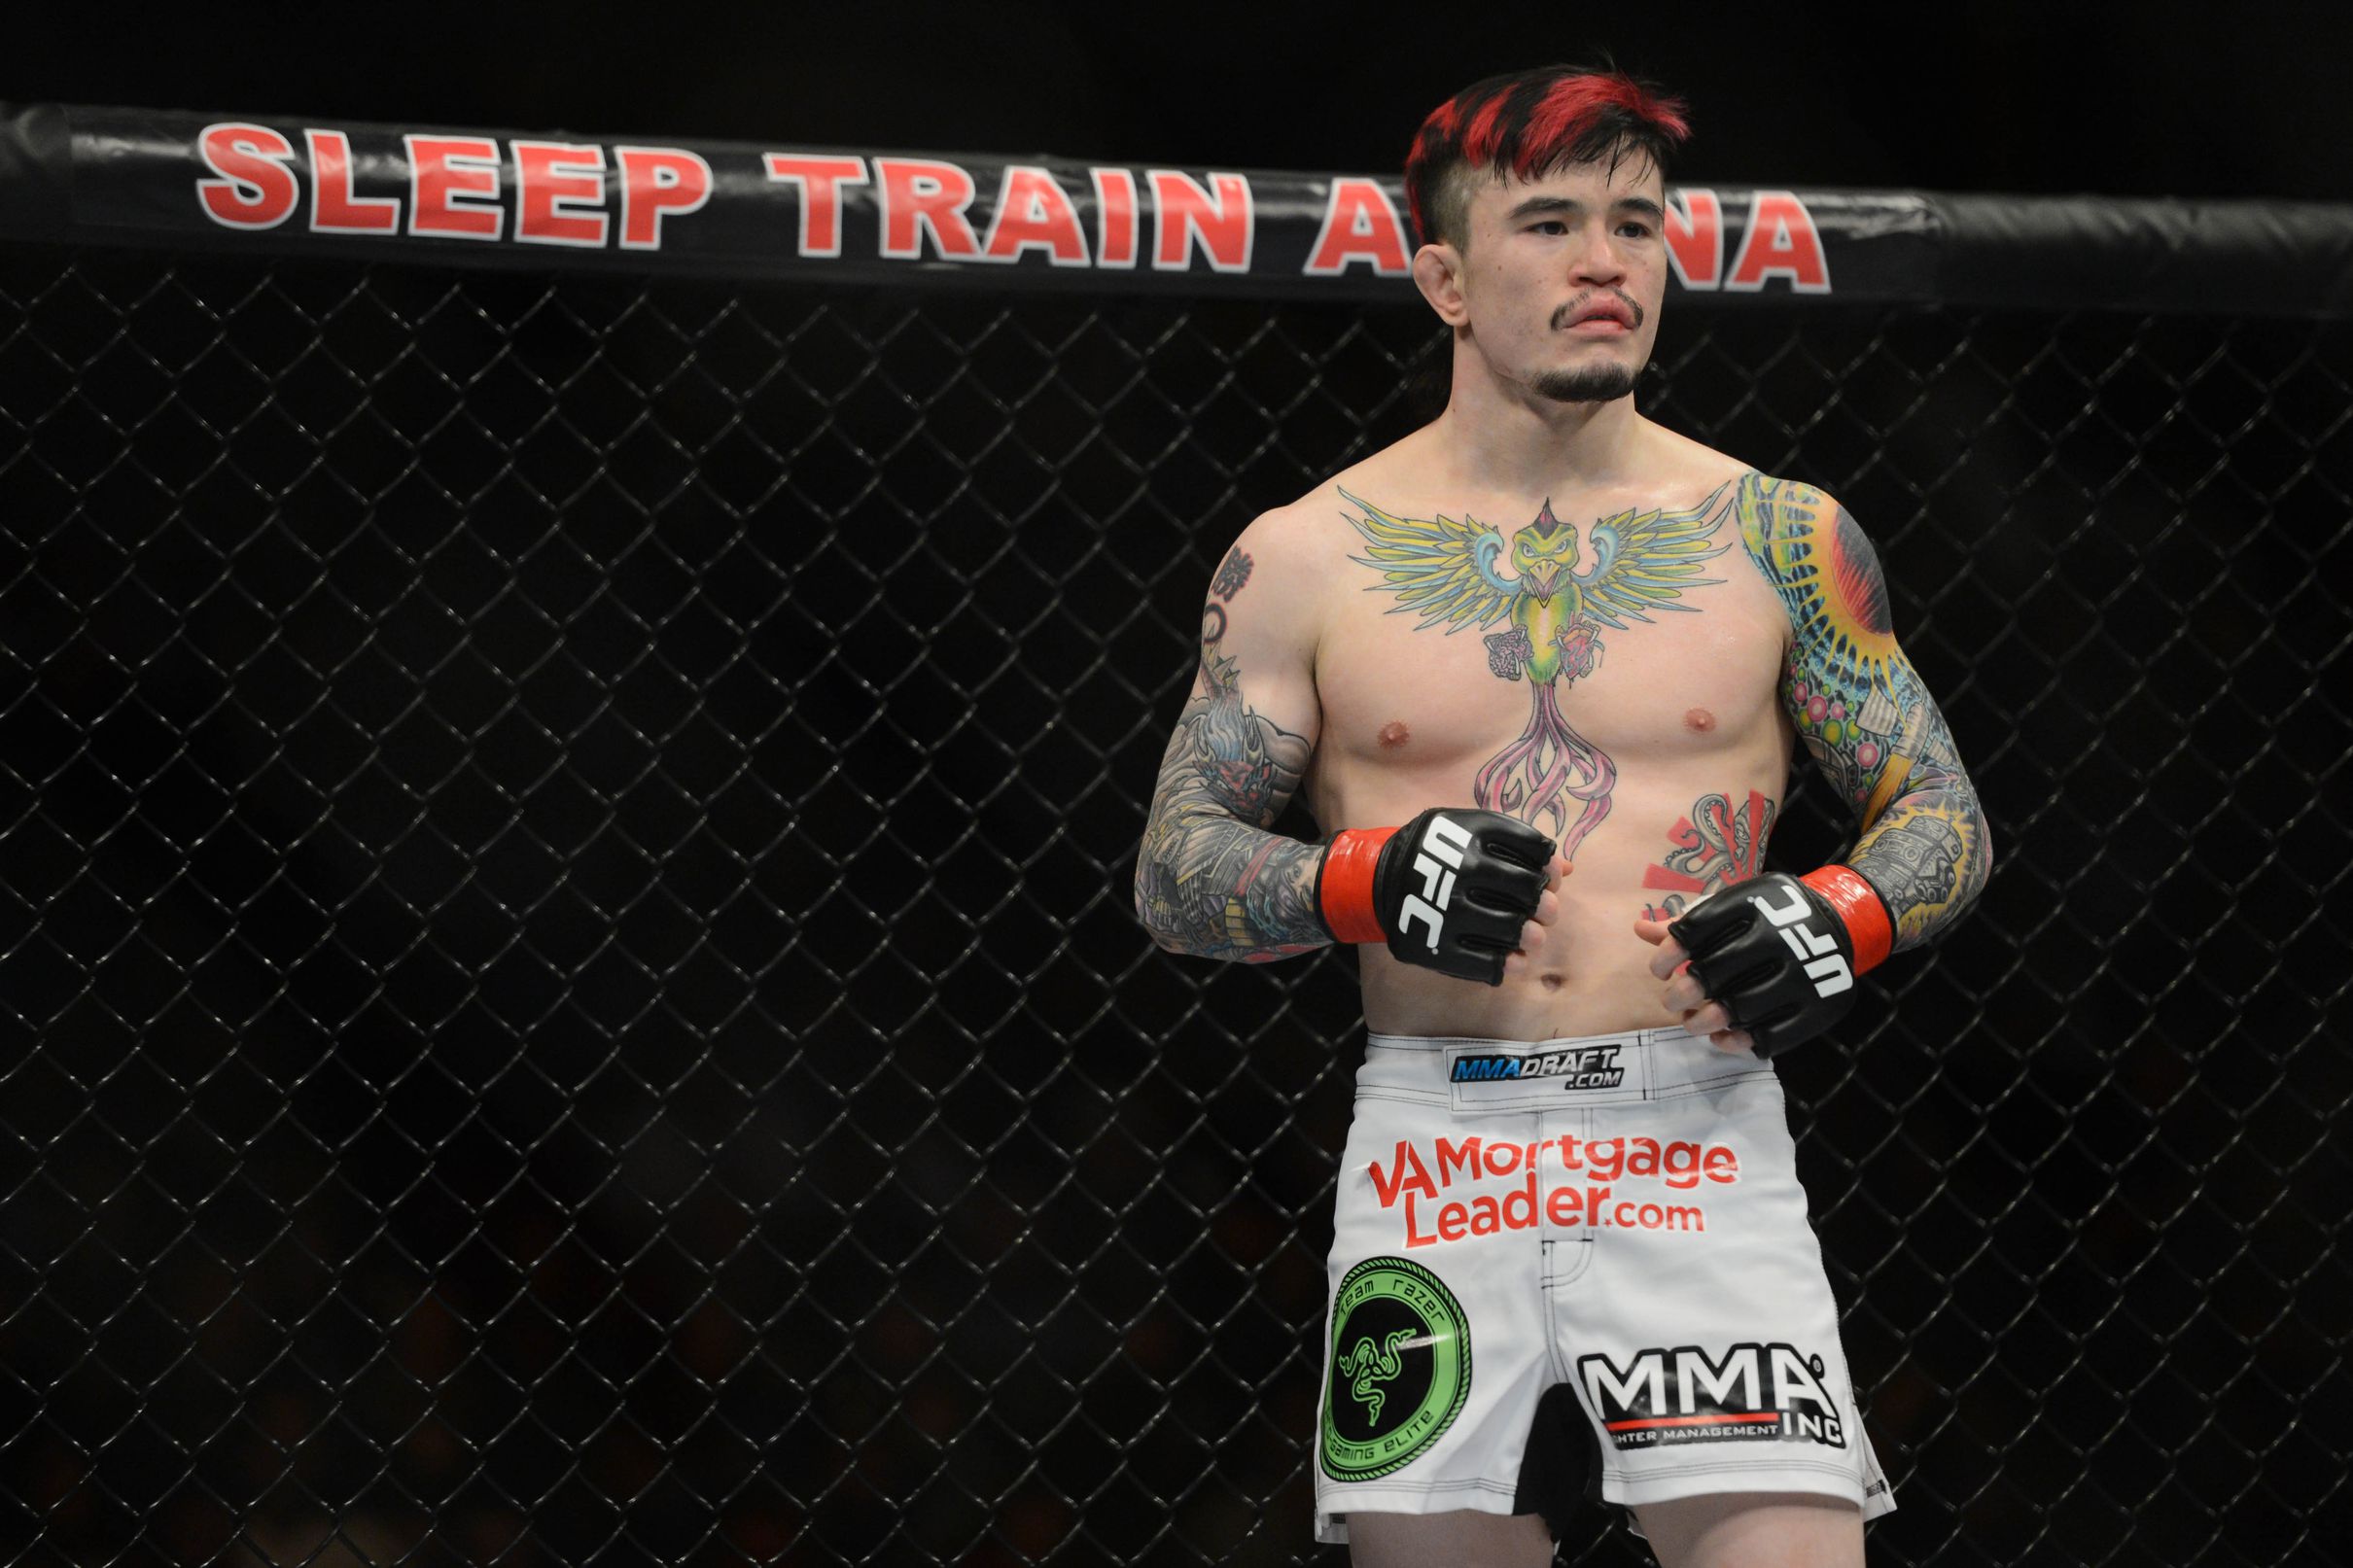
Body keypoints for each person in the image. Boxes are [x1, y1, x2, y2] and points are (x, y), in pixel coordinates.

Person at [1134, 62, 1990, 1568]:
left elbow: (1943, 813)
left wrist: (1841, 911)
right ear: (1446, 280)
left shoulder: (1779, 536)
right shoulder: (1307, 557)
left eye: (1635, 224)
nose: (1607, 261)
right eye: (1549, 224)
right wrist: (1365, 877)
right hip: (1436, 1146)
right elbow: (1176, 867)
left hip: (1695, 1133)